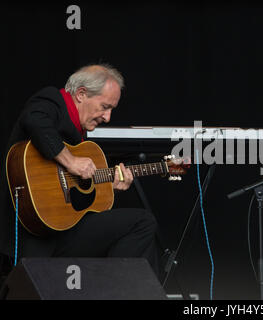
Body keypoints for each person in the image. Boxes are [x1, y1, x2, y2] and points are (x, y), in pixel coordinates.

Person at [0, 64, 163, 280]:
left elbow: (73, 196)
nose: (108, 117)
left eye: (111, 109)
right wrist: (70, 161)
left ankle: (118, 292)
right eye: (105, 107)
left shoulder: (80, 136)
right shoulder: (52, 101)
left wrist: (108, 185)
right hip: (34, 240)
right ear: (81, 94)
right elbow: (34, 120)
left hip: (61, 234)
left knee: (141, 222)